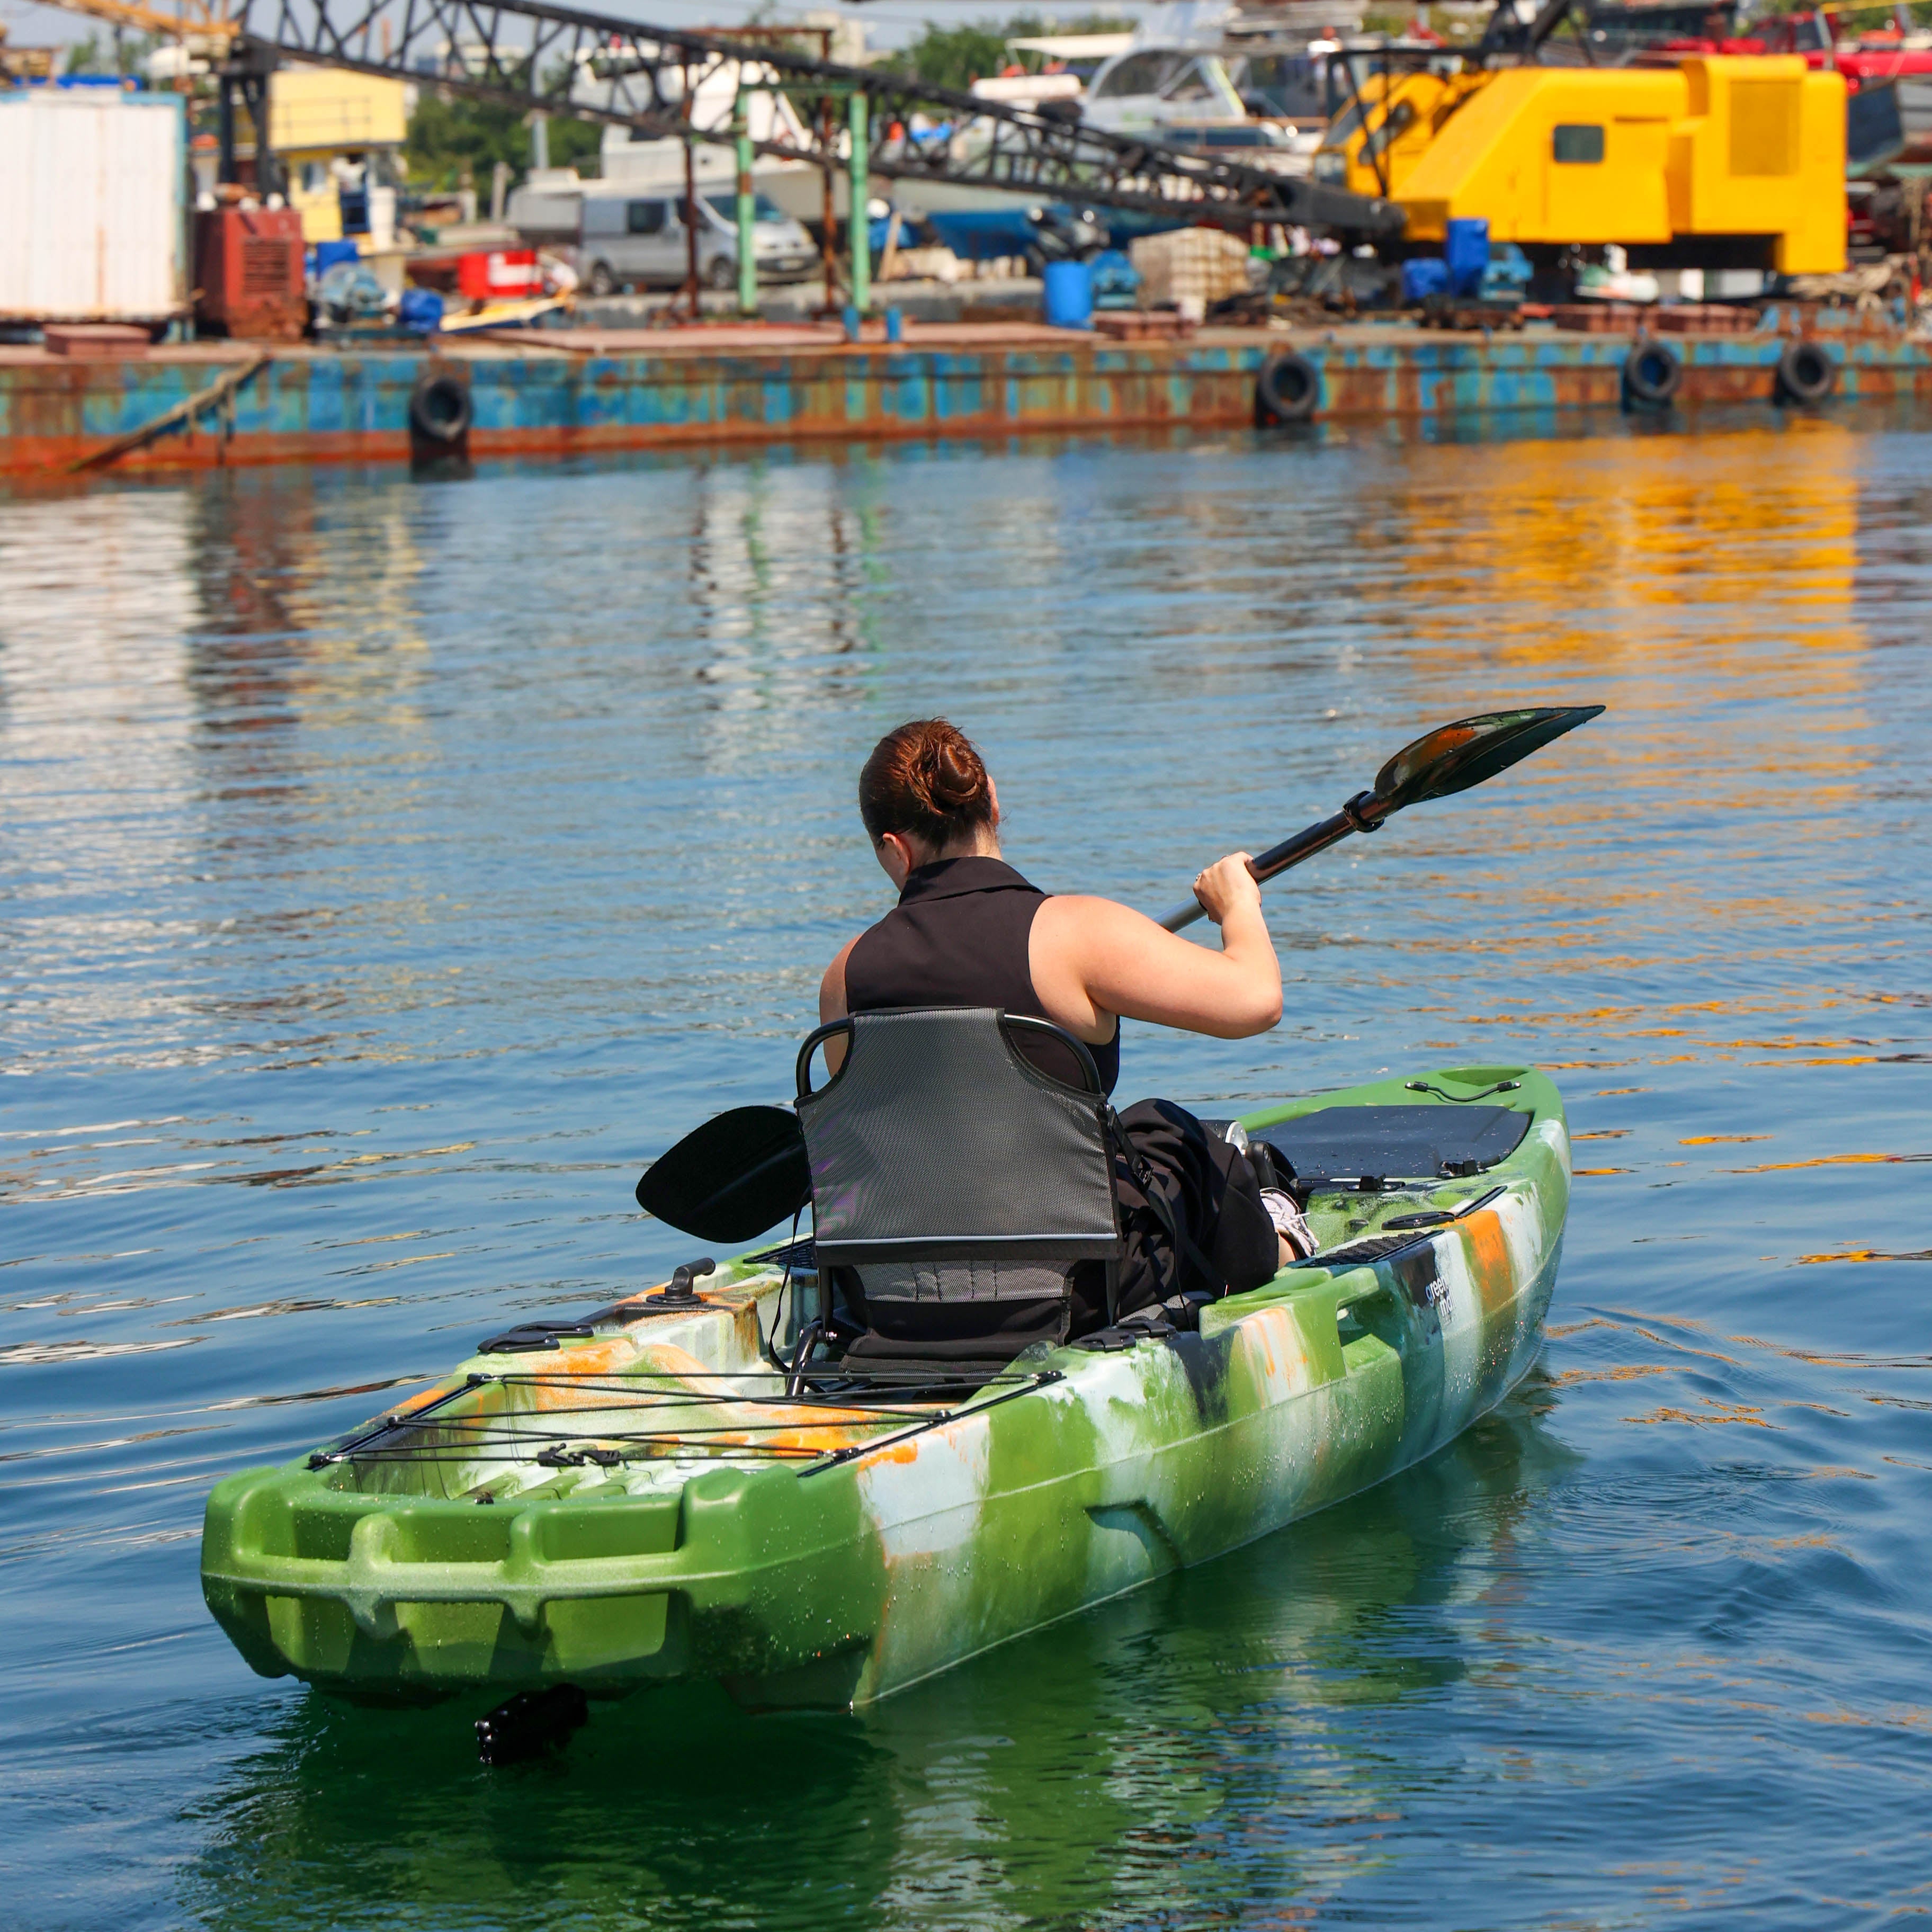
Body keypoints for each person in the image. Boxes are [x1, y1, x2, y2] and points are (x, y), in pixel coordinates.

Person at [819, 719, 1314, 1332]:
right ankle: (1282, 1239)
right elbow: (1257, 999)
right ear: (994, 801)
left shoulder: (843, 977)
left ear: (895, 848)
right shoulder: (1075, 934)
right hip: (1077, 1293)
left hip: (895, 1301)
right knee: (1179, 1142)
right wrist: (1238, 906)